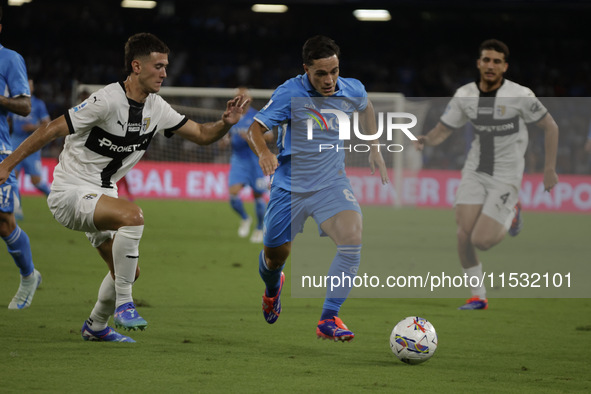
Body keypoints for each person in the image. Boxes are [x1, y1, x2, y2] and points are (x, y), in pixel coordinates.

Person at [0, 32, 249, 342]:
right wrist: (7, 165)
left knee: (128, 271)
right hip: (70, 192)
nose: (164, 73)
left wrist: (226, 123)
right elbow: (51, 129)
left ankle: (96, 326)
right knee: (133, 216)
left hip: (104, 196)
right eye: (158, 66)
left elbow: (200, 133)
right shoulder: (106, 100)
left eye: (166, 66)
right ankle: (124, 305)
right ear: (136, 66)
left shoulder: (157, 108)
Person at [247, 35, 389, 341]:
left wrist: (374, 146)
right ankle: (273, 289)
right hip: (290, 187)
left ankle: (329, 318)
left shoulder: (351, 87)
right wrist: (265, 153)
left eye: (334, 71)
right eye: (321, 73)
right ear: (306, 70)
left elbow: (366, 106)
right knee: (274, 257)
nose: (329, 80)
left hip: (331, 183)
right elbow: (255, 129)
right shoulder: (289, 92)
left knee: (352, 237)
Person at [415, 39, 559, 310]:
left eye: (496, 61)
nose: (490, 65)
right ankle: (478, 296)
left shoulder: (521, 95)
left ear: (505, 66)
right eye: (486, 60)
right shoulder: (465, 95)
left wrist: (549, 168)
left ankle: (512, 210)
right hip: (474, 171)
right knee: (463, 236)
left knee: (481, 241)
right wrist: (425, 139)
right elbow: (444, 129)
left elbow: (550, 127)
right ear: (478, 63)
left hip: (506, 176)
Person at [0, 6, 43, 310]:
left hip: (0, 151)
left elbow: (25, 106)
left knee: (4, 224)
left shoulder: (10, 59)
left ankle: (29, 276)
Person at [223, 87, 273, 243]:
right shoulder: (231, 116)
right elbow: (226, 136)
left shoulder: (257, 116)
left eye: (244, 98)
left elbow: (270, 136)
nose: (241, 101)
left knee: (258, 195)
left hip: (255, 161)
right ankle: (245, 218)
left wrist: (251, 137)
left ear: (249, 100)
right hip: (238, 160)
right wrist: (225, 140)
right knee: (233, 194)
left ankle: (259, 228)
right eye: (238, 97)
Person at [8, 79, 52, 219]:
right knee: (12, 177)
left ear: (32, 88)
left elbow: (48, 124)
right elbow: (7, 120)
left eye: (30, 84)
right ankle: (16, 209)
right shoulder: (14, 102)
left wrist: (32, 127)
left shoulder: (38, 104)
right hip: (15, 142)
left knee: (36, 181)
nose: (27, 87)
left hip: (32, 144)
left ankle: (57, 201)